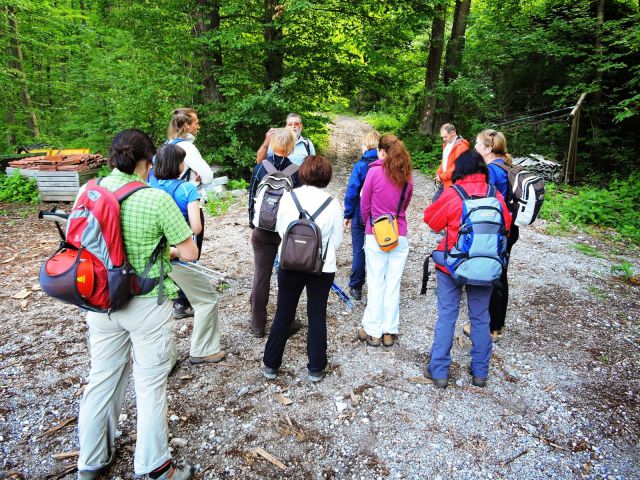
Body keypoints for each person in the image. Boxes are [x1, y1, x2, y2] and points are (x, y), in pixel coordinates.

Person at [76, 129, 198, 480]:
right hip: (145, 303)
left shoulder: (89, 191)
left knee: (101, 379)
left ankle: (92, 460)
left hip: (100, 301)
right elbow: (190, 252)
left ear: (112, 158)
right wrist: (166, 249)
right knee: (149, 384)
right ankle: (155, 465)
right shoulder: (155, 198)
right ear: (148, 161)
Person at [423, 151, 511, 389]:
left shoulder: (454, 194)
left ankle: (439, 370)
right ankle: (480, 372)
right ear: (482, 169)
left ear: (458, 170)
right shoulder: (496, 195)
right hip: (485, 267)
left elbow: (431, 221)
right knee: (481, 318)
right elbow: (507, 227)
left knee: (447, 316)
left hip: (451, 266)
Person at [262, 155, 343, 382]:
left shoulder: (289, 198)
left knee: (283, 312)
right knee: (316, 314)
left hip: (289, 263)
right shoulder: (332, 203)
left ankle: (270, 363)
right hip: (321, 267)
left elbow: (281, 231)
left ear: (303, 173)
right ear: (326, 176)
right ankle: (316, 367)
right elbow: (336, 241)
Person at [151, 143, 226, 364]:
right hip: (178, 255)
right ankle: (203, 349)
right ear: (180, 165)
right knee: (207, 299)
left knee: (158, 305)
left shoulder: (148, 188)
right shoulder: (187, 189)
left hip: (151, 256)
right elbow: (196, 228)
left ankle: (163, 359)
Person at [358, 134, 413, 348]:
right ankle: (389, 330)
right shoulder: (407, 174)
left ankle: (373, 331)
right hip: (399, 232)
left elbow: (365, 205)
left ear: (381, 151)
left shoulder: (373, 172)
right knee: (393, 283)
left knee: (375, 282)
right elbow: (406, 203)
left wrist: (367, 224)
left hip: (376, 233)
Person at [248, 128, 301, 338]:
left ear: (272, 144)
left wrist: (253, 224)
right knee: (286, 277)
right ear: (291, 146)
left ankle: (257, 325)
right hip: (285, 232)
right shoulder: (296, 171)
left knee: (261, 276)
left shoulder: (261, 167)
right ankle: (285, 323)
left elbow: (252, 196)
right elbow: (300, 204)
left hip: (262, 231)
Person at [470, 129, 519, 341]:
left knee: (494, 274)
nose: (475, 148)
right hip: (510, 227)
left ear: (488, 149)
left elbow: (486, 199)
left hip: (498, 229)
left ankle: (490, 327)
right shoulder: (506, 166)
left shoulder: (492, 170)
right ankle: (497, 324)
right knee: (501, 273)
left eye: (478, 144)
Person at [166, 107, 213, 320]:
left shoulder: (166, 146)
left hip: (167, 207)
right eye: (195, 122)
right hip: (187, 206)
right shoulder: (188, 148)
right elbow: (209, 176)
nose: (198, 125)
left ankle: (175, 296)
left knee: (172, 251)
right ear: (186, 126)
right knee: (190, 251)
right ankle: (184, 302)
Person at [343, 130, 381, 301]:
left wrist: (348, 213)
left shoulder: (361, 165)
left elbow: (352, 190)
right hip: (380, 211)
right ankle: (377, 285)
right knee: (379, 248)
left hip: (360, 211)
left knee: (359, 249)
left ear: (366, 145)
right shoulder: (385, 164)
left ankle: (356, 286)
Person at [433, 123, 469, 202]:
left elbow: (457, 167)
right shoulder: (447, 145)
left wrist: (442, 176)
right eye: (443, 137)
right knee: (436, 201)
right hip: (446, 181)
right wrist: (438, 173)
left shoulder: (461, 146)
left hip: (454, 183)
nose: (444, 139)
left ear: (453, 133)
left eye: (445, 137)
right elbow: (444, 162)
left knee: (442, 204)